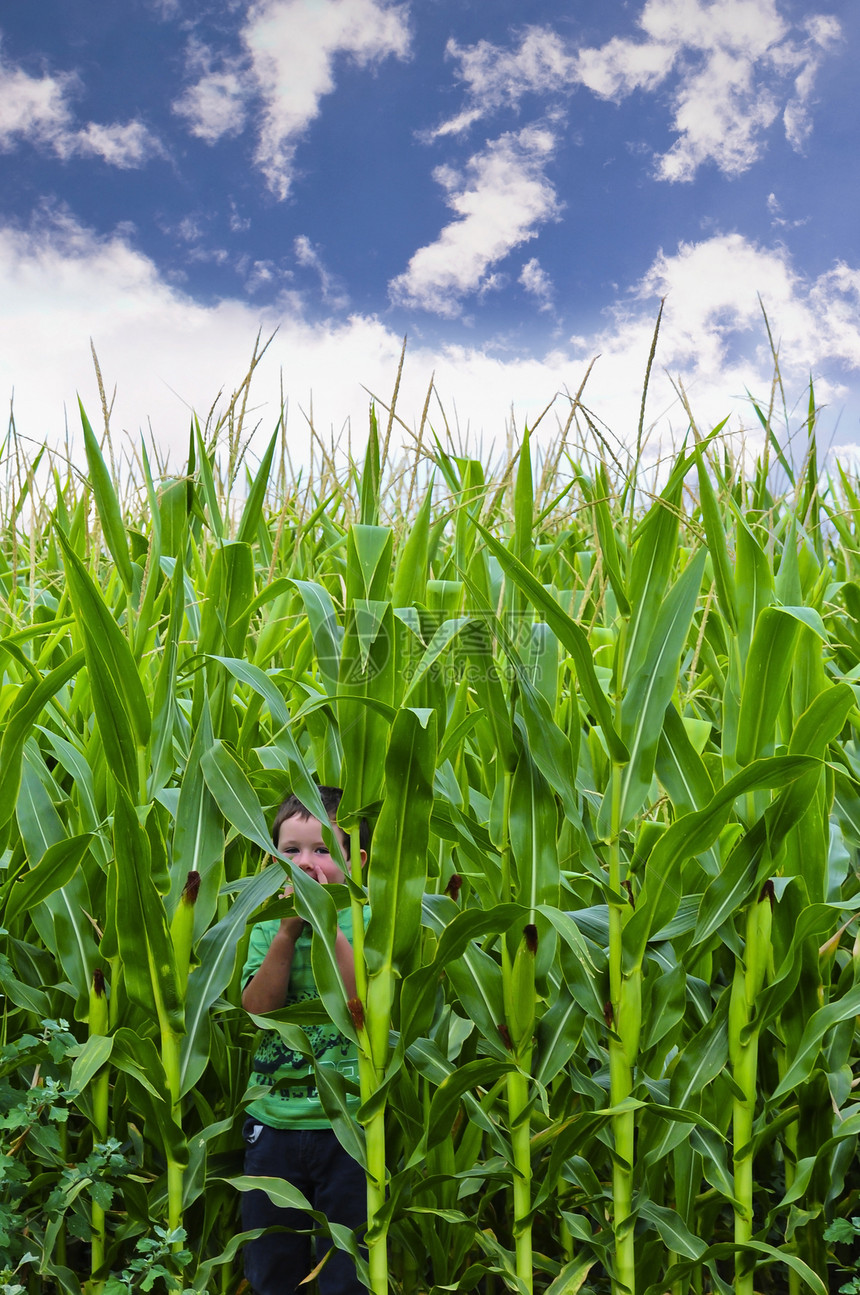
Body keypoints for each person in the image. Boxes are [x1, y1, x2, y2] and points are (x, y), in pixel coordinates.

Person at [240, 786, 369, 1295]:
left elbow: (360, 1004)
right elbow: (258, 1010)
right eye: (291, 852)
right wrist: (287, 934)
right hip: (272, 1126)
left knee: (347, 1271)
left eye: (322, 850)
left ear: (354, 861)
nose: (307, 863)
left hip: (351, 1130)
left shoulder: (366, 921)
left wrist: (327, 920)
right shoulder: (267, 926)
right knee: (273, 1266)